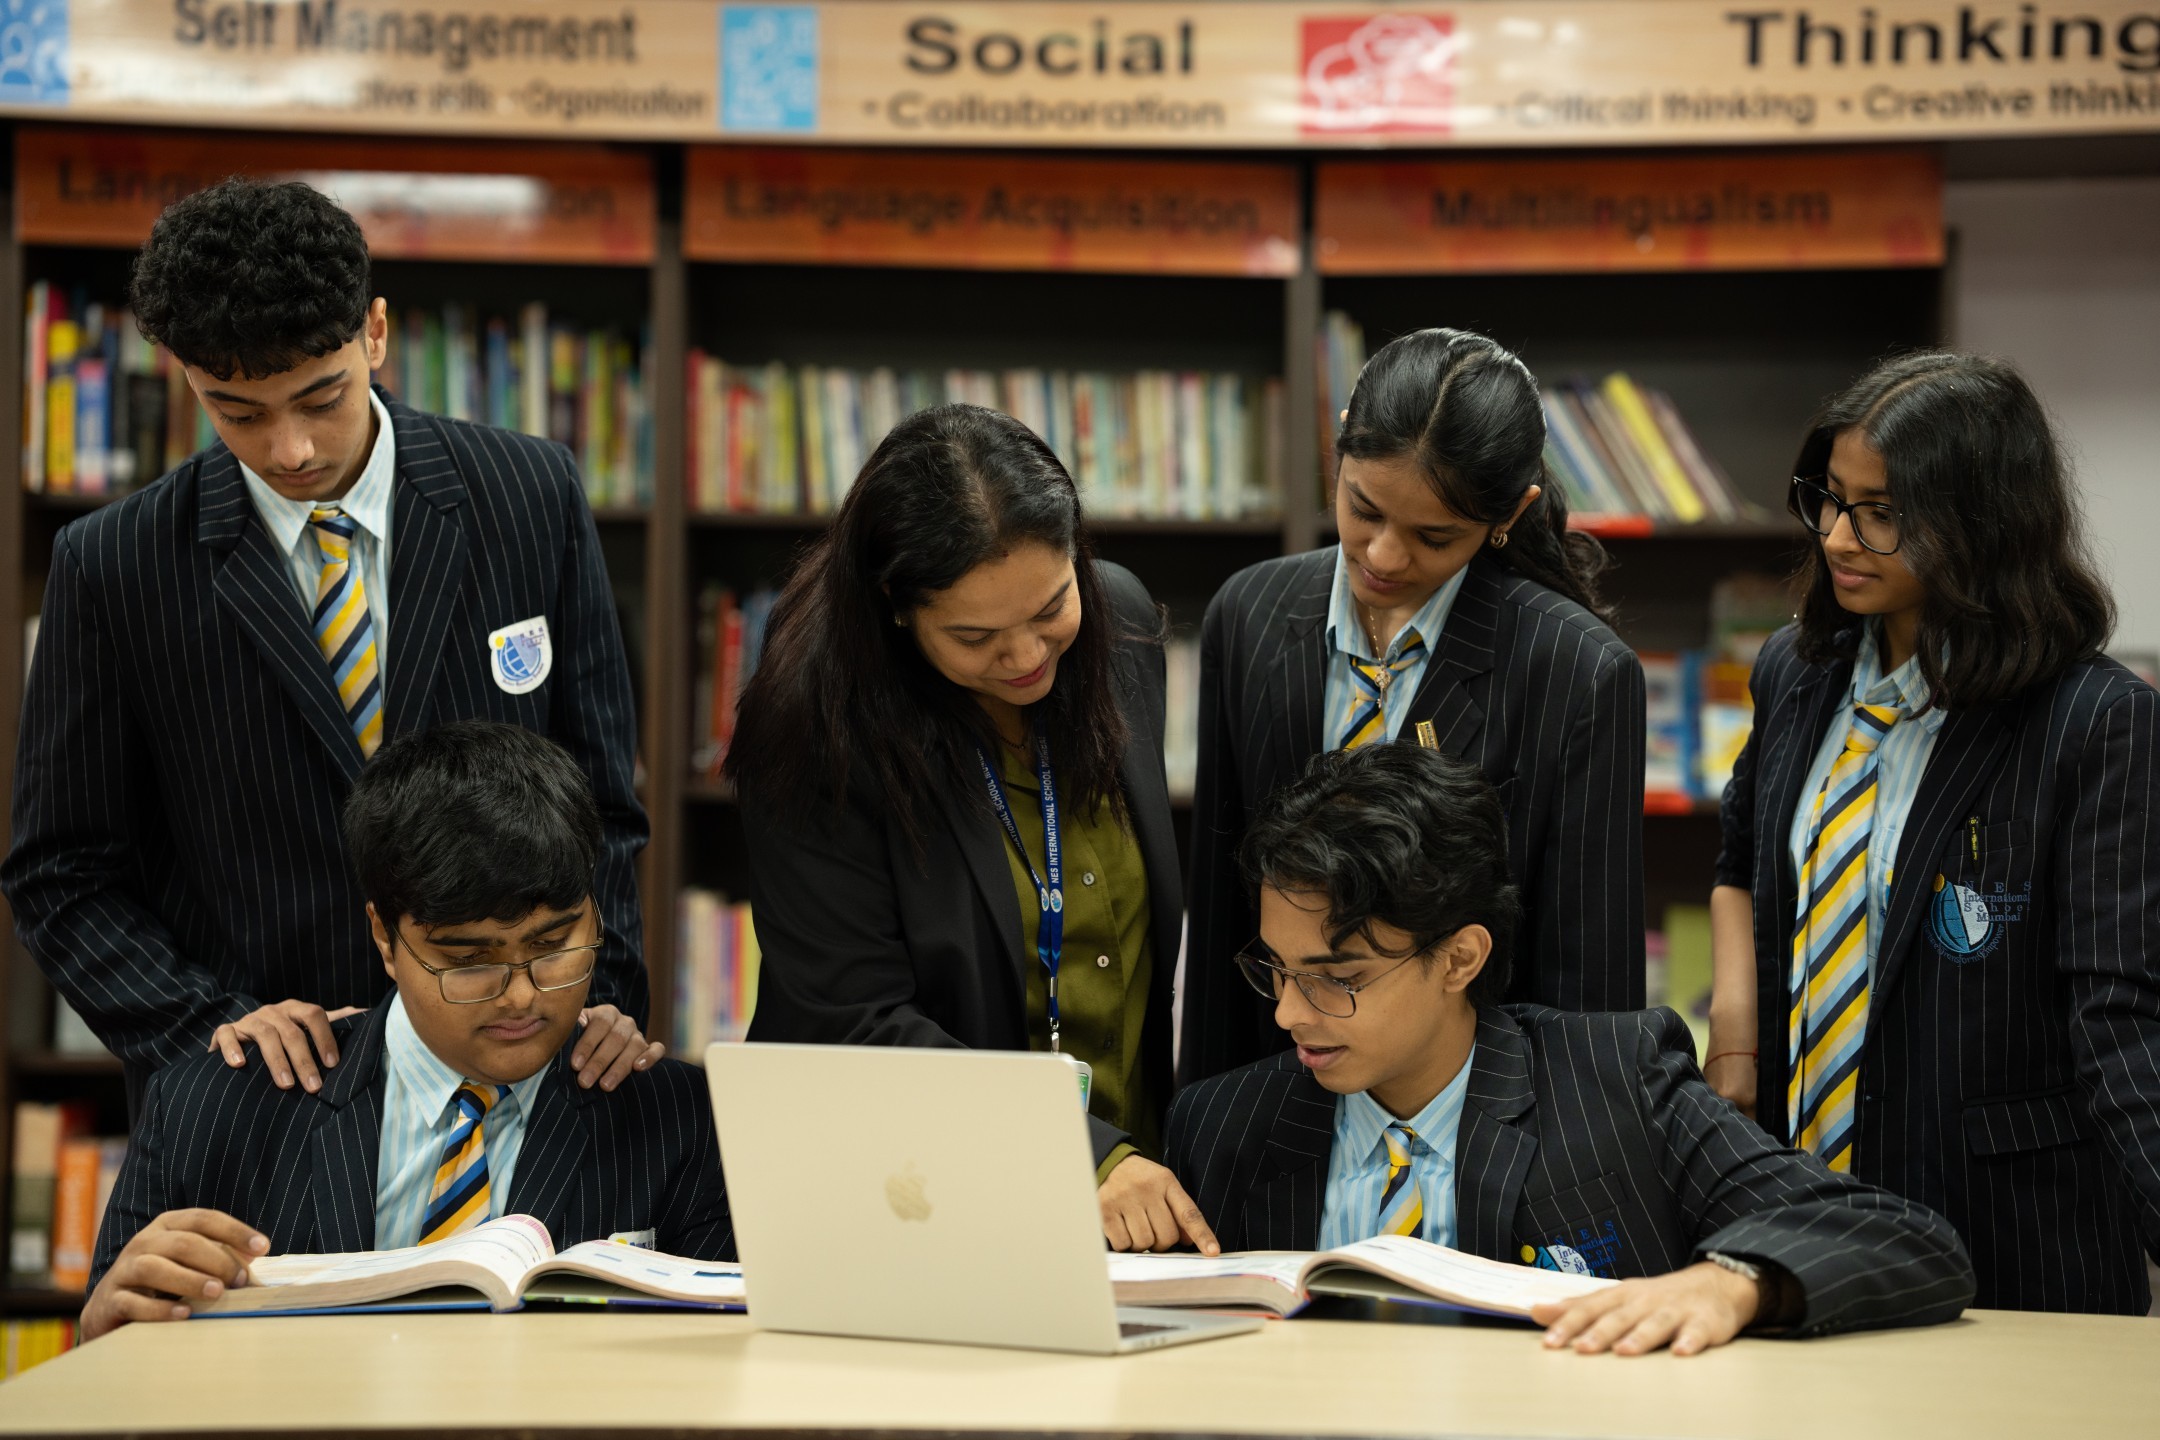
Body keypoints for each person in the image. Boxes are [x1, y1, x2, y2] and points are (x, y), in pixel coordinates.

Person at [3, 178, 656, 1114]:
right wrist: (206, 1026)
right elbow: (60, 872)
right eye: (238, 412)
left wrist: (598, 1003)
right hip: (261, 1098)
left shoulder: (530, 493)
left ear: (376, 333)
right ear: (187, 380)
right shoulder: (114, 563)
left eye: (321, 397)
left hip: (522, 1068)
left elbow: (602, 803)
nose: (292, 449)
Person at [1160, 743, 1974, 1354]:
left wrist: (1733, 1285)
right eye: (1278, 970)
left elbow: (1904, 1239)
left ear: (1460, 958)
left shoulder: (1615, 1082)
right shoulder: (1224, 1126)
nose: (1289, 1014)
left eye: (1337, 978)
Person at [1707, 352, 2160, 1314]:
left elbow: (2116, 1008)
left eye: (1882, 512)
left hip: (2010, 1234)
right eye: (1827, 499)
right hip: (1800, 1207)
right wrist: (1737, 1052)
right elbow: (1740, 861)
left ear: (1984, 523)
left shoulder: (2092, 720)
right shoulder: (1796, 669)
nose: (1839, 537)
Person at [79, 721, 733, 1342]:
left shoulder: (683, 1121)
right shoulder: (210, 1111)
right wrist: (103, 1338)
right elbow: (102, 1380)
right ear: (384, 939)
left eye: (553, 942)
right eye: (468, 959)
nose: (523, 993)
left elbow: (721, 1375)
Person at [725, 403, 1202, 1252]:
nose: (1025, 657)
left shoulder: (1120, 628)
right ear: (897, 610)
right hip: (901, 1207)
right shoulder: (816, 719)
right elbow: (852, 1021)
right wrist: (1077, 1152)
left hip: (1130, 1213)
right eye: (975, 635)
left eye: (1051, 607)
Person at [1180, 328, 1644, 1088]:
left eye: (1435, 536)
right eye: (1364, 510)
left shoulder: (1578, 672)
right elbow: (1223, 917)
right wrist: (1203, 1129)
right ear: (1338, 452)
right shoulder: (1251, 614)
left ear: (1510, 513)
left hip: (1480, 1125)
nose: (1385, 556)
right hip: (1274, 1109)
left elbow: (1588, 985)